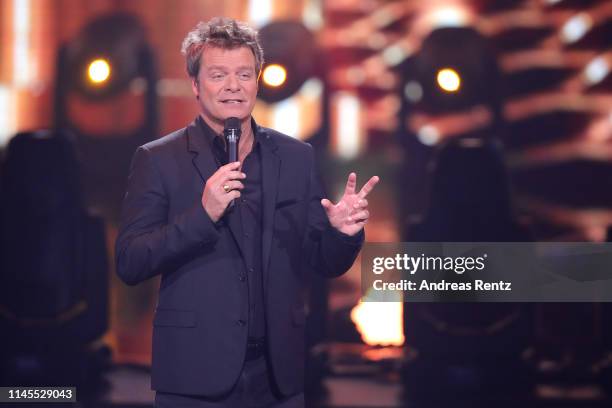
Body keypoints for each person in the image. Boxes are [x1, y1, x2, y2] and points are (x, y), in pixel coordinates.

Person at [115, 17, 379, 407]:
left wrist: (341, 233)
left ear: (258, 81)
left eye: (243, 74)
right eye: (218, 75)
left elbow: (321, 262)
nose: (232, 86)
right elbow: (131, 261)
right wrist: (202, 217)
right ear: (195, 85)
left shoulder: (295, 157)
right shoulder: (158, 159)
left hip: (278, 376)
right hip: (194, 373)